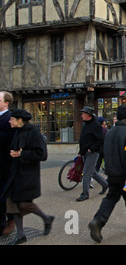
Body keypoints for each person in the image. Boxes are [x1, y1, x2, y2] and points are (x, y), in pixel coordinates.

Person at [88, 105, 126, 243]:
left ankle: (98, 221)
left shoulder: (110, 132)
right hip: (124, 172)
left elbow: (106, 153)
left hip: (112, 173)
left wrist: (108, 170)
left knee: (110, 198)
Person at [3, 109, 54, 244]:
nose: (9, 121)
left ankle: (46, 218)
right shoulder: (18, 131)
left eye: (12, 119)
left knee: (24, 204)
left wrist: (21, 154)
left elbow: (41, 154)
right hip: (14, 174)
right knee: (12, 203)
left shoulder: (33, 132)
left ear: (19, 120)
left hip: (27, 175)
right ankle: (20, 235)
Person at [77, 106, 108, 202]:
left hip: (93, 153)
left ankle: (85, 194)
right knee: (92, 172)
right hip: (85, 152)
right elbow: (83, 139)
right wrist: (80, 152)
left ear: (88, 115)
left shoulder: (96, 125)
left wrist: (92, 148)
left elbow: (100, 140)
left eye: (83, 113)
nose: (81, 115)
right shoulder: (85, 124)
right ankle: (105, 184)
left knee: (86, 173)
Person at [0, 92, 15, 236]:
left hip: (5, 164)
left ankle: (9, 221)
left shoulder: (10, 118)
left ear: (6, 103)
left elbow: (12, 140)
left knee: (4, 195)